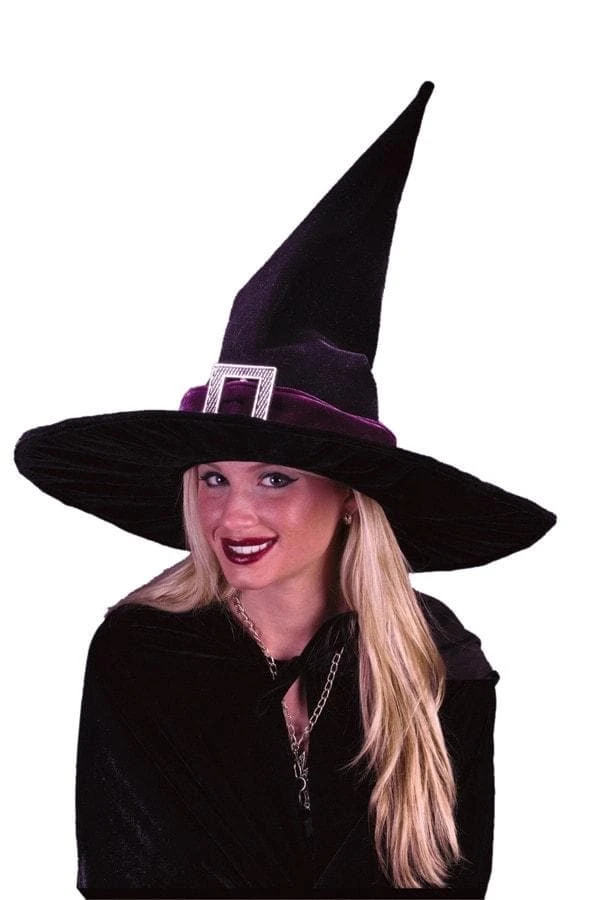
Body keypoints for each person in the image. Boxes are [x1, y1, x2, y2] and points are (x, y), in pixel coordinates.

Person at [14, 83, 556, 899]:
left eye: (275, 478)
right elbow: (130, 877)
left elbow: (451, 876)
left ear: (351, 498)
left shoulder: (436, 659)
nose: (233, 513)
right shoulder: (148, 651)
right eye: (213, 478)